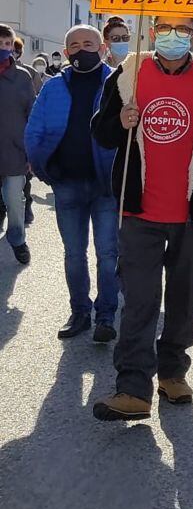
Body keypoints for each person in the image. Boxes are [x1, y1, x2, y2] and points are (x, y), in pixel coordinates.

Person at [89, 15, 193, 422]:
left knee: (186, 296)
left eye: (183, 30)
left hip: (192, 210)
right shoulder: (128, 72)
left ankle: (173, 371)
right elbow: (101, 132)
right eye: (166, 29)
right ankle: (133, 387)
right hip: (139, 209)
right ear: (153, 31)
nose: (175, 37)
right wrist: (121, 122)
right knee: (139, 300)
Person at [25, 26, 118, 341]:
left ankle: (106, 316)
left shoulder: (119, 84)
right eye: (74, 45)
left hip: (106, 186)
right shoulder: (52, 87)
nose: (82, 50)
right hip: (67, 185)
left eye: (88, 44)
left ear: (102, 47)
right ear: (66, 53)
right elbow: (34, 131)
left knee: (108, 253)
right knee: (74, 253)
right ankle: (79, 312)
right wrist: (43, 170)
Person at [0, 24, 34, 264]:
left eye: (7, 44)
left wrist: (32, 152)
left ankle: (18, 239)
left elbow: (32, 115)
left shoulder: (22, 76)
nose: (4, 48)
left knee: (14, 200)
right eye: (0, 44)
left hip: (14, 153)